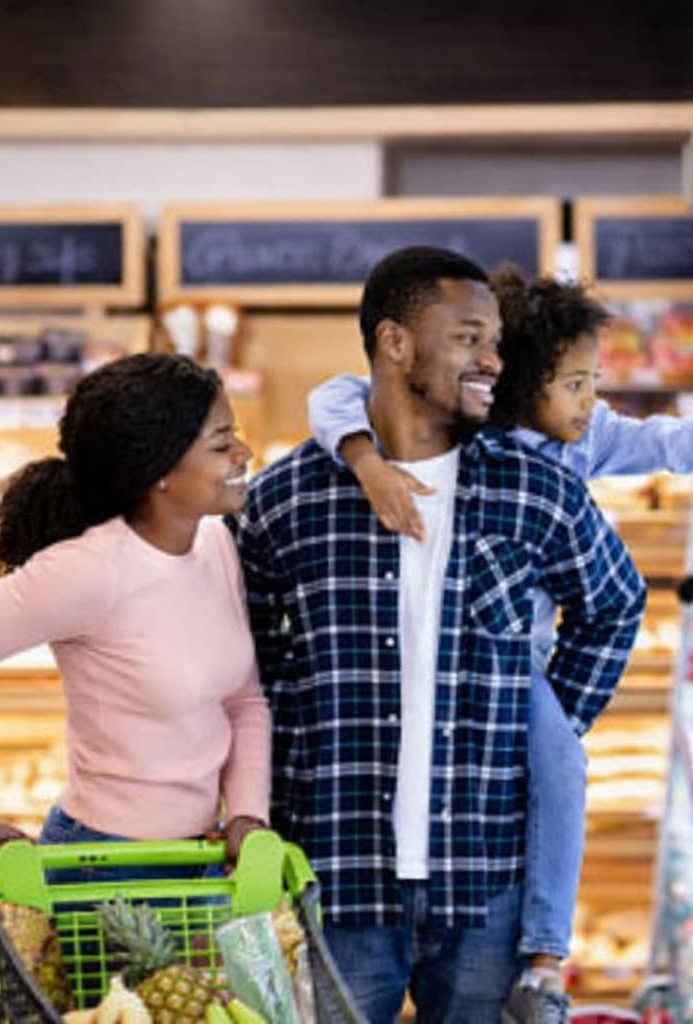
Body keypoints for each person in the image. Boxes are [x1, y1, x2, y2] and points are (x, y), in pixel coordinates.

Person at [306, 267, 693, 1019]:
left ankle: (543, 955)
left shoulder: (586, 440)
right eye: (574, 384)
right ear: (515, 386)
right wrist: (364, 458)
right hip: (433, 665)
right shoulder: (470, 431)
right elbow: (336, 395)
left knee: (561, 763)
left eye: (592, 382)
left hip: (516, 668)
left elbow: (680, 442)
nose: (591, 403)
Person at [233, 247, 646, 1023]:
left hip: (485, 878)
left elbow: (614, 605)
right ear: (395, 343)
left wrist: (542, 725)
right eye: (467, 338)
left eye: (493, 340)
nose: (493, 359)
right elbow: (246, 661)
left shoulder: (534, 486)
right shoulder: (287, 499)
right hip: (333, 871)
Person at [0, 353, 269, 881]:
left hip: (200, 861)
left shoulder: (214, 547)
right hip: (102, 868)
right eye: (221, 443)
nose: (243, 453)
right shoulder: (90, 570)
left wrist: (247, 818)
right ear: (160, 471)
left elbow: (244, 701)